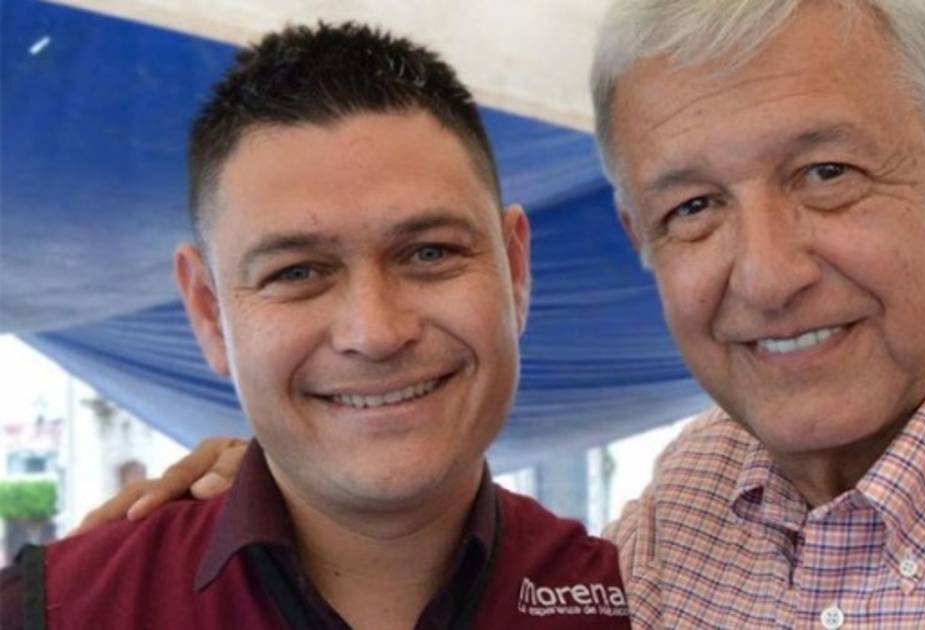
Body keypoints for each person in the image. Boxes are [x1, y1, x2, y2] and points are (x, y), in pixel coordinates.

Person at [62, 1, 925, 628]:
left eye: (827, 174)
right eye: (693, 206)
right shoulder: (675, 530)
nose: (767, 274)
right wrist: (266, 488)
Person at [0, 23, 628, 630]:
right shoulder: (62, 610)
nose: (376, 333)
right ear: (209, 312)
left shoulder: (635, 603)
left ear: (514, 269)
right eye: (297, 272)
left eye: (429, 252)